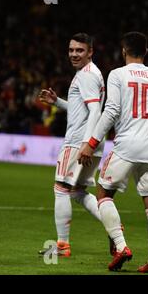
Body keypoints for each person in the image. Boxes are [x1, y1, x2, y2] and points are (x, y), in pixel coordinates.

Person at [78, 32, 148, 272]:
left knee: (103, 193)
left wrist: (92, 142)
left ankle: (121, 244)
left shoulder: (117, 74)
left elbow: (112, 110)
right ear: (146, 51)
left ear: (124, 51)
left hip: (127, 144)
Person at [38, 33, 105, 257]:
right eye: (71, 50)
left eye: (80, 50)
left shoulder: (86, 75)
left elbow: (96, 110)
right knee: (77, 191)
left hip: (79, 141)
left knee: (61, 189)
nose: (74, 54)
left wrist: (86, 143)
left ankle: (62, 245)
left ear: (90, 52)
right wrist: (57, 102)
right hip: (92, 141)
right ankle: (114, 229)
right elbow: (84, 110)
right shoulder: (90, 73)